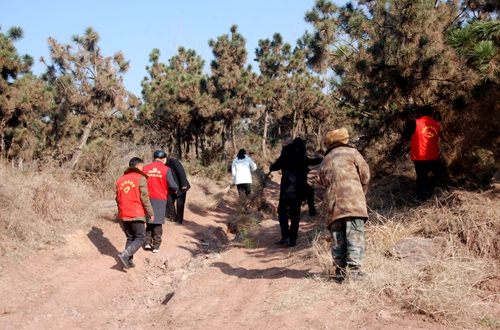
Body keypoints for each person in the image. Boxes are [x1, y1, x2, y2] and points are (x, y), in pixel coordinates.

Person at [319, 128, 370, 282]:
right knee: (354, 232)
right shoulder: (353, 153)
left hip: (333, 203)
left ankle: (339, 271)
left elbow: (321, 181)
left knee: (337, 235)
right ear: (344, 140)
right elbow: (365, 175)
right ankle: (354, 270)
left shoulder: (326, 159)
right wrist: (360, 193)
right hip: (353, 200)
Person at [270, 137, 321, 247]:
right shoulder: (302, 156)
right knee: (295, 214)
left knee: (282, 211)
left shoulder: (286, 153)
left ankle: (285, 236)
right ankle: (293, 239)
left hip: (287, 190)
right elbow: (313, 162)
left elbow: (274, 167)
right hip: (299, 190)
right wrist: (325, 159)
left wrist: (272, 167)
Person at [116, 157, 155, 270]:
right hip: (136, 212)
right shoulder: (140, 178)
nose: (143, 169)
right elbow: (145, 198)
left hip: (124, 213)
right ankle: (125, 255)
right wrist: (150, 212)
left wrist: (120, 212)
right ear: (138, 167)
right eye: (142, 167)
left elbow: (117, 199)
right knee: (141, 237)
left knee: (130, 237)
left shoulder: (120, 180)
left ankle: (128, 261)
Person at [402, 105, 441, 202]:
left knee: (422, 178)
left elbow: (405, 135)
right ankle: (435, 195)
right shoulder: (436, 125)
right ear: (432, 114)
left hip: (421, 156)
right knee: (431, 177)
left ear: (420, 113)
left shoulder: (416, 123)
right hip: (434, 156)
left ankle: (424, 199)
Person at [142, 150, 179, 253]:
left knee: (149, 220)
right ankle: (156, 246)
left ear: (153, 157)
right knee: (158, 222)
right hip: (160, 198)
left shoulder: (145, 168)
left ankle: (147, 242)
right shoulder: (166, 169)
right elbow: (173, 185)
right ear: (163, 159)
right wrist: (175, 189)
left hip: (147, 197)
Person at [166, 155, 191, 226]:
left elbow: (181, 172)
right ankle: (172, 216)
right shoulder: (162, 165)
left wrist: (183, 184)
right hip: (171, 187)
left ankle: (179, 220)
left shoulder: (174, 162)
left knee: (180, 204)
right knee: (169, 201)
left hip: (181, 186)